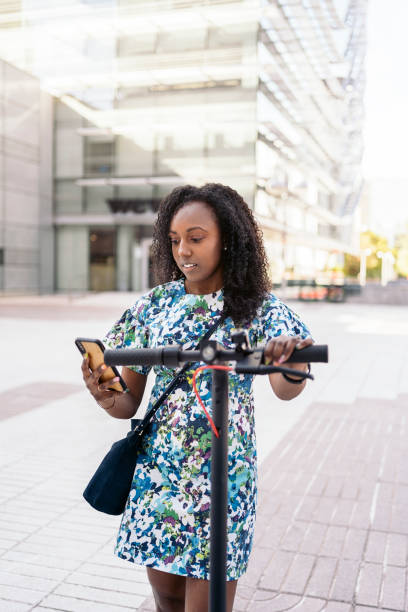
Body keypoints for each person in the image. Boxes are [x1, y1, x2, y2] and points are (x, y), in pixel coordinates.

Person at [81, 183, 313, 612]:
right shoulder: (155, 305)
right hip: (158, 476)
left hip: (222, 482)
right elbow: (127, 403)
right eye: (174, 240)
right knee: (167, 600)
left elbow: (285, 388)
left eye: (196, 238)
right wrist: (103, 393)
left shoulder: (257, 307)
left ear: (228, 239)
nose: (183, 251)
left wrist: (292, 361)